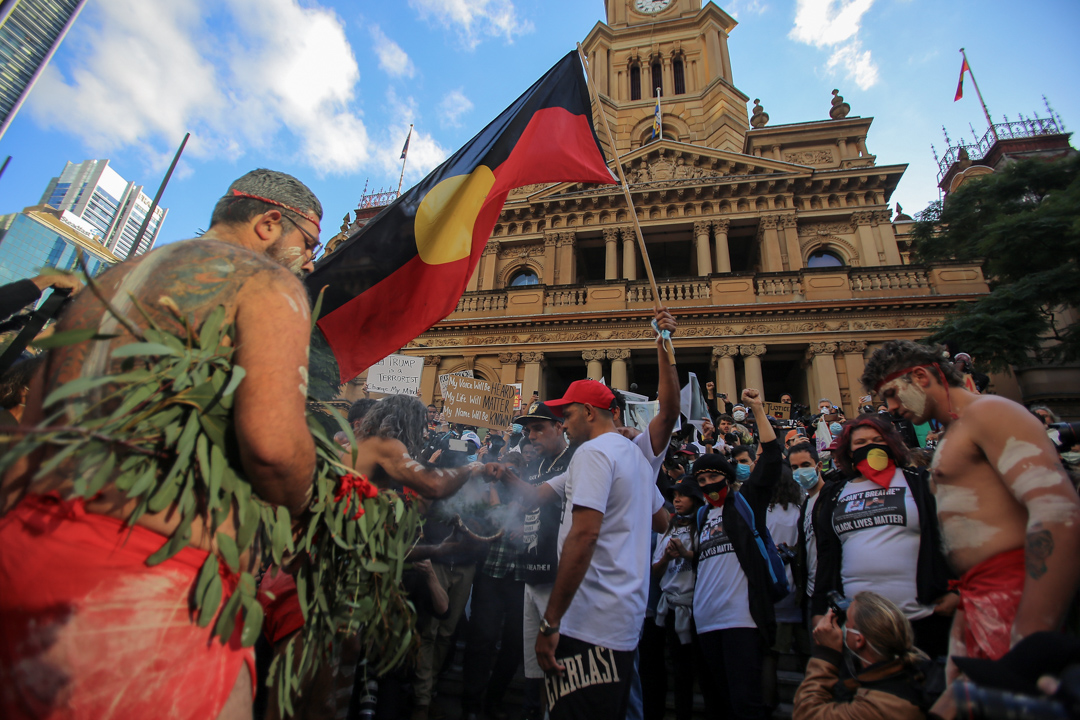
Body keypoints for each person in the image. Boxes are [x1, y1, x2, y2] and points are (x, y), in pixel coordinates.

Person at [0, 169, 327, 720]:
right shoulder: (264, 284)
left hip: (21, 556)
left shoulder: (107, 284)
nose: (311, 262)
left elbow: (33, 429)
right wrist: (310, 500)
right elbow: (272, 448)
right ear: (270, 223)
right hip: (138, 603)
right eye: (308, 244)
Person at [861, 341, 1080, 715]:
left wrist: (1030, 639)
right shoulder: (955, 432)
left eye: (892, 394)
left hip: (1012, 598)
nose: (891, 407)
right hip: (977, 600)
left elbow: (1057, 515)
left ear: (921, 376)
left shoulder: (990, 413)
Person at [533, 380, 665, 720]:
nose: (563, 423)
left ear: (590, 412)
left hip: (587, 623)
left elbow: (584, 536)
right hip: (622, 621)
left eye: (568, 413)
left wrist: (550, 622)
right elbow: (662, 520)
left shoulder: (593, 453)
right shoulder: (633, 456)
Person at [811, 414, 956, 660]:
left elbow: (950, 536)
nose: (870, 446)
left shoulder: (919, 483)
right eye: (860, 442)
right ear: (848, 450)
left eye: (877, 439)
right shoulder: (835, 494)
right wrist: (819, 609)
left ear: (890, 443)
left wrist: (956, 589)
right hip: (859, 629)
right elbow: (826, 555)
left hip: (920, 619)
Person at [691, 388, 782, 720]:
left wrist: (758, 409)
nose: (707, 482)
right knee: (718, 704)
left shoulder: (746, 505)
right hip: (705, 620)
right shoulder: (701, 516)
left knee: (746, 703)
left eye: (713, 476)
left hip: (741, 620)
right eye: (700, 478)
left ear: (728, 478)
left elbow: (771, 459)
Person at [794, 591, 931, 720]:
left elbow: (805, 714)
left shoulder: (875, 706)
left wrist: (826, 654)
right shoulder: (913, 672)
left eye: (847, 621)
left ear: (858, 639)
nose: (844, 626)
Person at [650, 476, 704, 720]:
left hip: (698, 608)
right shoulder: (669, 526)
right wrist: (667, 559)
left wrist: (686, 553)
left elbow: (711, 562)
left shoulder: (703, 526)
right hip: (672, 607)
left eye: (682, 495)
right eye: (674, 497)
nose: (677, 500)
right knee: (680, 670)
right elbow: (655, 570)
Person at [763, 472, 809, 710]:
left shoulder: (764, 514)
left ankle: (770, 708)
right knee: (807, 656)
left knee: (771, 656)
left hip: (774, 590)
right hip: (798, 591)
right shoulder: (801, 512)